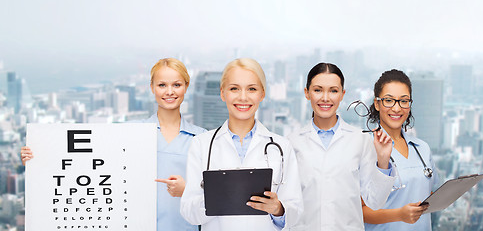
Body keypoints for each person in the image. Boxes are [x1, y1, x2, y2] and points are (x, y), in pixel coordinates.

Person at [20, 58, 206, 231]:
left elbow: (215, 195)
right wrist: (38, 159)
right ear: (152, 88)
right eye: (162, 85)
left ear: (186, 87)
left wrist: (187, 190)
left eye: (177, 85)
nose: (169, 92)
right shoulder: (127, 132)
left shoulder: (202, 139)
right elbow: (86, 165)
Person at [180, 58, 303, 231]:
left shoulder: (282, 147)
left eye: (252, 89)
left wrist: (278, 209)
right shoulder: (202, 145)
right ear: (223, 93)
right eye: (234, 89)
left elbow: (295, 210)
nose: (243, 97)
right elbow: (188, 212)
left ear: (262, 94)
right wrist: (213, 200)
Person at [287, 63, 396, 230]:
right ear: (306, 93)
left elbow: (375, 201)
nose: (325, 98)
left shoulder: (360, 140)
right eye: (318, 90)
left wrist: (383, 160)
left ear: (342, 94)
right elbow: (287, 204)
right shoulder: (291, 143)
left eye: (333, 90)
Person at [362, 69, 439, 231]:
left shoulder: (422, 148)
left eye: (404, 101)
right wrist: (399, 215)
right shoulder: (364, 147)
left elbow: (429, 193)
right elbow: (360, 210)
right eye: (389, 100)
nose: (397, 109)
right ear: (377, 104)